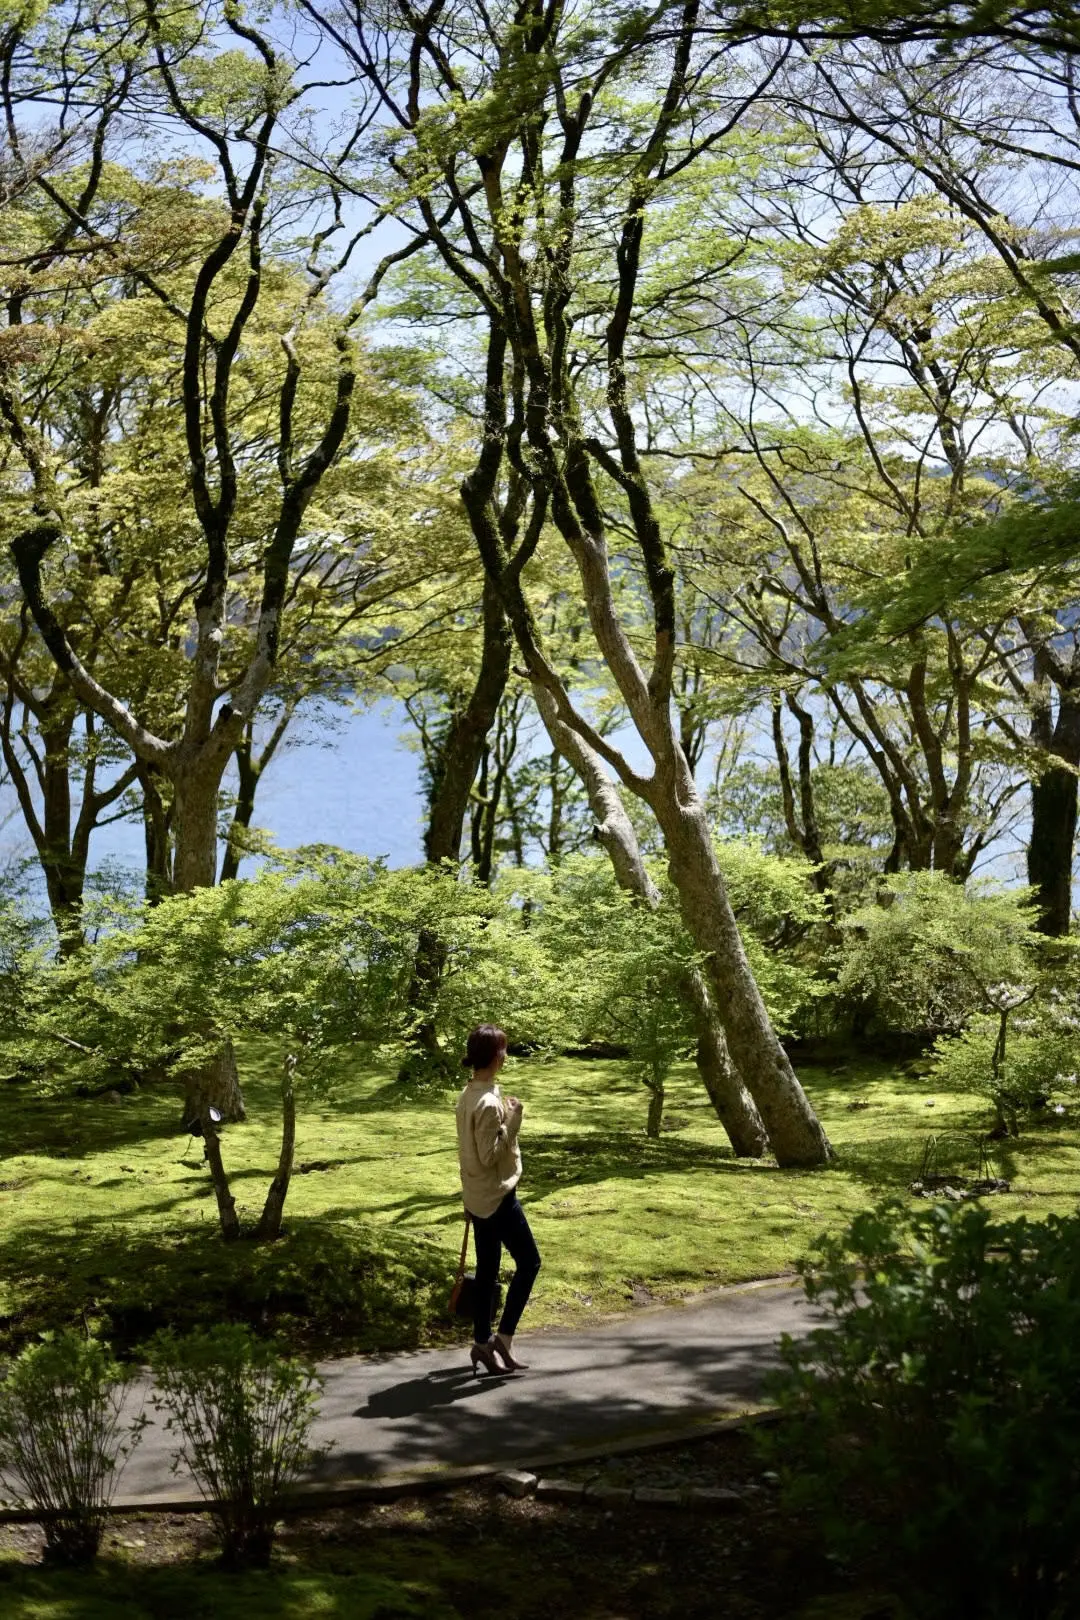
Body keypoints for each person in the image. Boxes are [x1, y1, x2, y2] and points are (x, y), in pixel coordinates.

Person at [455, 1023, 541, 1375]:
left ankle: (481, 1343)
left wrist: (467, 1196)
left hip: (477, 1196)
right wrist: (513, 1119)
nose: (506, 1054)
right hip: (497, 1196)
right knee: (530, 1263)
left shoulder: (468, 1095)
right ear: (494, 1057)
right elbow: (489, 1156)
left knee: (488, 1270)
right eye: (503, 1049)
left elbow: (466, 1152)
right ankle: (502, 1339)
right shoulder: (489, 1103)